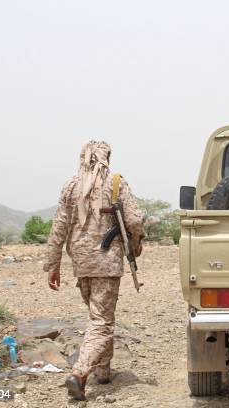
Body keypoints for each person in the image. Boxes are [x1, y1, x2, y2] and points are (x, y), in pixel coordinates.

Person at [43, 141, 144, 401]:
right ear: (107, 157)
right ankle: (80, 373)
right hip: (107, 263)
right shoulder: (116, 182)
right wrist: (136, 242)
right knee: (101, 322)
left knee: (97, 315)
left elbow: (58, 228)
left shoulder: (71, 185)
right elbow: (134, 219)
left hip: (81, 263)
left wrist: (53, 265)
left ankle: (103, 371)